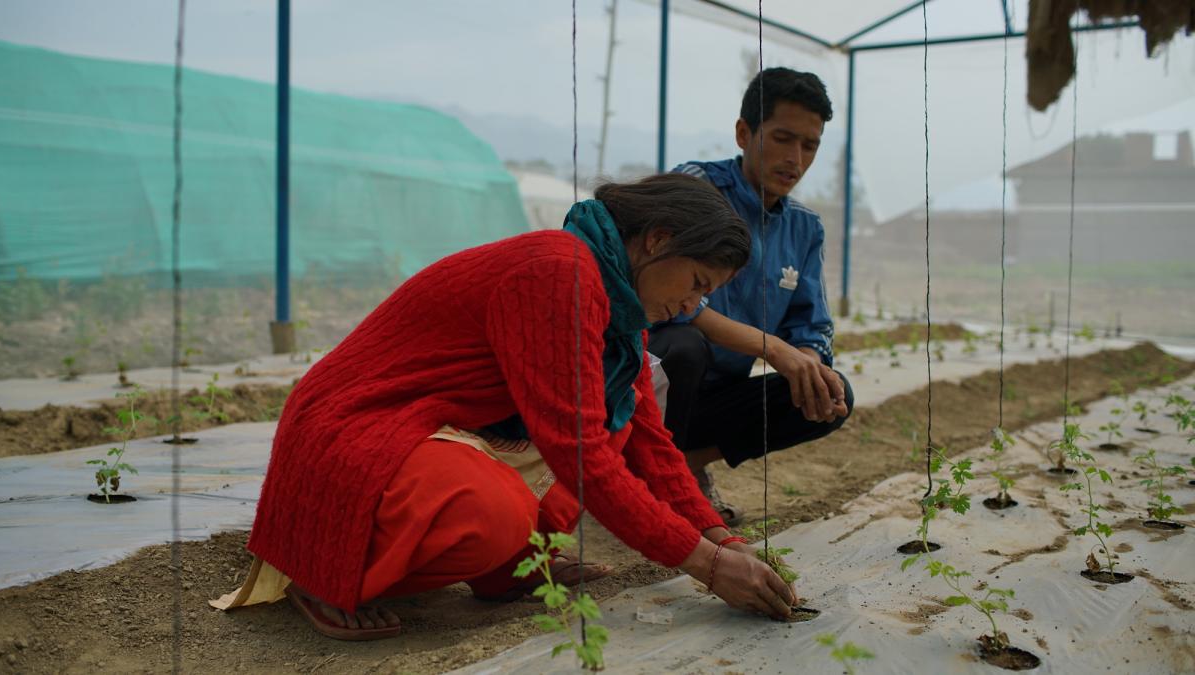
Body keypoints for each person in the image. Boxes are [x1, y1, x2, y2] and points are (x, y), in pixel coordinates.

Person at [223, 174, 801, 640]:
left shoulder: (619, 314)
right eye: (696, 283)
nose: (689, 306)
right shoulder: (559, 272)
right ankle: (323, 574)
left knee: (618, 428)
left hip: (431, 431)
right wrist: (705, 565)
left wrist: (720, 540)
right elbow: (577, 455)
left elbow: (651, 442)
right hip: (351, 432)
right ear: (658, 240)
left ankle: (507, 569)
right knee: (488, 514)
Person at [649, 68, 854, 526]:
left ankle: (684, 465)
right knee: (684, 348)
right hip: (652, 385)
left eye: (810, 145)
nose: (795, 159)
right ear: (744, 133)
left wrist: (805, 360)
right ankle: (659, 475)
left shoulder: (804, 228)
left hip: (718, 396)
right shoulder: (697, 189)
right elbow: (680, 304)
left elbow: (811, 324)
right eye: (782, 138)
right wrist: (774, 348)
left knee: (830, 390)